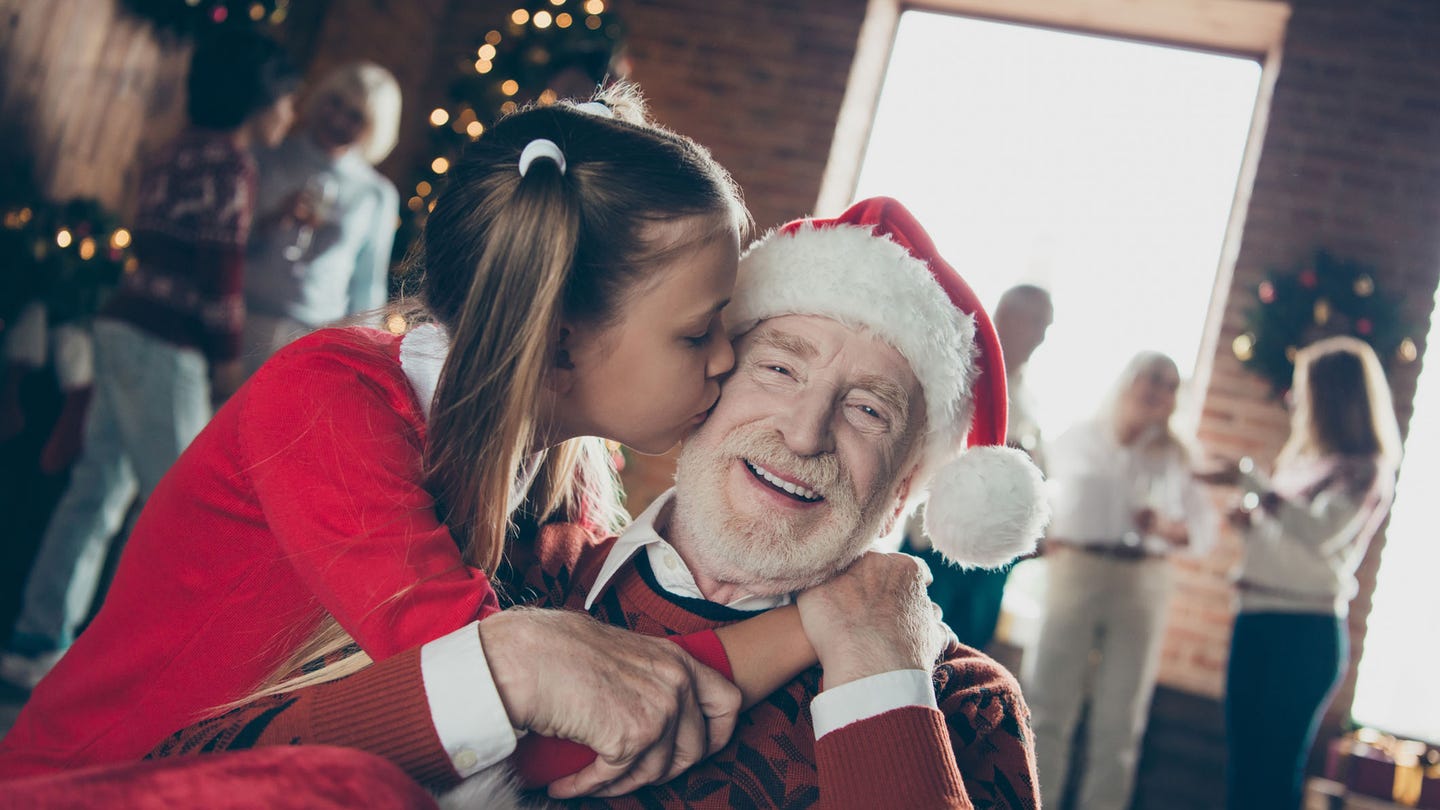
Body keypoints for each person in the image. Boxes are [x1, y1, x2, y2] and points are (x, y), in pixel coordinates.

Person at [0, 87, 820, 801]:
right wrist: (816, 625)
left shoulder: (560, 475)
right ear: (562, 344)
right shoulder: (327, 403)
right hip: (93, 788)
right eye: (698, 333)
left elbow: (612, 683)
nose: (726, 359)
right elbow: (526, 732)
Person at [147, 197, 1052, 809]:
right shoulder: (504, 561)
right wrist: (504, 669)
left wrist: (881, 674)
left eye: (867, 410)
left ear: (903, 489)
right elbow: (188, 777)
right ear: (707, 391)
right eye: (779, 367)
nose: (806, 432)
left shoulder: (960, 703)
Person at [0, 27, 300, 691]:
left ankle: (35, 639)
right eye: (287, 100)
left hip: (121, 325)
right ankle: (144, 668)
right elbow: (217, 277)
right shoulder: (231, 165)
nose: (291, 115)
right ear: (260, 100)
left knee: (97, 490)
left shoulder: (178, 152)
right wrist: (226, 360)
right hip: (166, 343)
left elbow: (176, 247)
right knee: (183, 505)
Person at [1200, 336, 1402, 810]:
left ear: (1331, 395)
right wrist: (1251, 523)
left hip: (1303, 631)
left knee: (1274, 772)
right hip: (1256, 616)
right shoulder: (1303, 463)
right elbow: (1287, 538)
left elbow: (1318, 533)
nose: (1296, 400)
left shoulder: (1365, 469)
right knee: (1244, 766)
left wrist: (1253, 482)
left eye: (1304, 388)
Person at [1023, 351, 1217, 810]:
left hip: (1143, 580)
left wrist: (1167, 528)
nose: (1158, 390)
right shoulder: (1077, 438)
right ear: (1127, 379)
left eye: (1170, 384)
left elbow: (1204, 532)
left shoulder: (1179, 455)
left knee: (1121, 718)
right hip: (1077, 570)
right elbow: (1036, 492)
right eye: (1151, 377)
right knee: (1049, 705)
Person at [904, 283, 1053, 650]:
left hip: (991, 555)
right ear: (1004, 315)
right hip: (937, 540)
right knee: (914, 642)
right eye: (1034, 321)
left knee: (966, 653)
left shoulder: (1030, 398)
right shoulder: (956, 372)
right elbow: (922, 441)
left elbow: (1040, 469)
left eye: (1044, 326)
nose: (1040, 336)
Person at [240, 61, 403, 375]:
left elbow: (367, 285)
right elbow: (227, 242)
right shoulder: (267, 156)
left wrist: (360, 361)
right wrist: (272, 220)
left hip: (312, 341)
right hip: (244, 319)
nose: (337, 119)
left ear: (374, 127)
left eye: (355, 116)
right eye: (335, 103)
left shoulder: (377, 195)